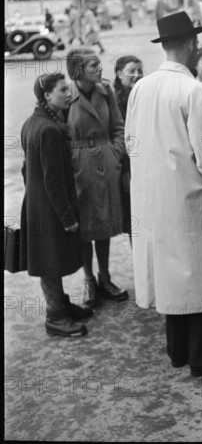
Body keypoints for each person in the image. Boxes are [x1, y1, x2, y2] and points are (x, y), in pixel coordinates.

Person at [125, 11, 202, 376]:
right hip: (194, 195)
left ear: (164, 45)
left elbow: (130, 142)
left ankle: (178, 348)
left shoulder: (141, 87)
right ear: (192, 44)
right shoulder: (194, 89)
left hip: (155, 195)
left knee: (172, 273)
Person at [20, 72, 92, 337]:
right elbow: (54, 181)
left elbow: (26, 169)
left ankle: (60, 303)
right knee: (49, 261)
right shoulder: (49, 130)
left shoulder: (32, 123)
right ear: (47, 96)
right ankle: (55, 318)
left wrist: (33, 196)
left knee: (50, 258)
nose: (69, 93)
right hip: (49, 208)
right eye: (63, 90)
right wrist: (68, 218)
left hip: (37, 203)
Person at [66, 48, 128, 308]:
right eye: (93, 66)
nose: (100, 69)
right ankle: (89, 280)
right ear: (79, 70)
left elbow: (118, 126)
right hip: (78, 166)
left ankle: (105, 277)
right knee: (84, 227)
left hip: (105, 163)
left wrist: (115, 152)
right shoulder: (67, 94)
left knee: (103, 224)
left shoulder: (105, 91)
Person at [114, 56, 144, 238]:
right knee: (133, 216)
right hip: (126, 165)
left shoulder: (143, 95)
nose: (137, 75)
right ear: (118, 74)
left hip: (145, 163)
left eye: (140, 71)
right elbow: (121, 137)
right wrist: (126, 169)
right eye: (131, 71)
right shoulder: (115, 101)